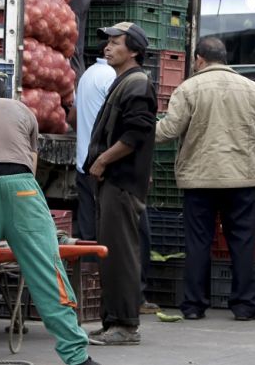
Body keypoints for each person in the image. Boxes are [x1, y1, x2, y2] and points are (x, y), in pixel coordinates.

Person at [0, 76, 100, 365]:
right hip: (23, 190)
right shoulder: (25, 113)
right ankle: (77, 356)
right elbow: (30, 170)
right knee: (47, 272)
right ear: (7, 97)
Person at [155, 36, 255, 322]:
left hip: (199, 179)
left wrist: (138, 129)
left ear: (199, 59)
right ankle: (245, 305)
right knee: (242, 242)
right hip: (241, 179)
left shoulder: (189, 88)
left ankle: (194, 305)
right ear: (224, 58)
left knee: (198, 242)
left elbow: (168, 131)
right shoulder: (253, 89)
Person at [84, 22, 157, 346]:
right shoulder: (124, 81)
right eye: (108, 42)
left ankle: (125, 326)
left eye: (116, 42)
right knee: (111, 255)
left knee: (122, 255)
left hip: (122, 183)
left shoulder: (137, 83)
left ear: (134, 51)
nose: (108, 47)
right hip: (113, 182)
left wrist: (102, 160)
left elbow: (136, 133)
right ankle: (112, 321)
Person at [68, 56, 116, 242]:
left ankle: (87, 261)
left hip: (84, 162)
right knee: (107, 227)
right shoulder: (111, 76)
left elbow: (72, 117)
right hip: (103, 165)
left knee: (87, 227)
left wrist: (85, 136)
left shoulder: (87, 74)